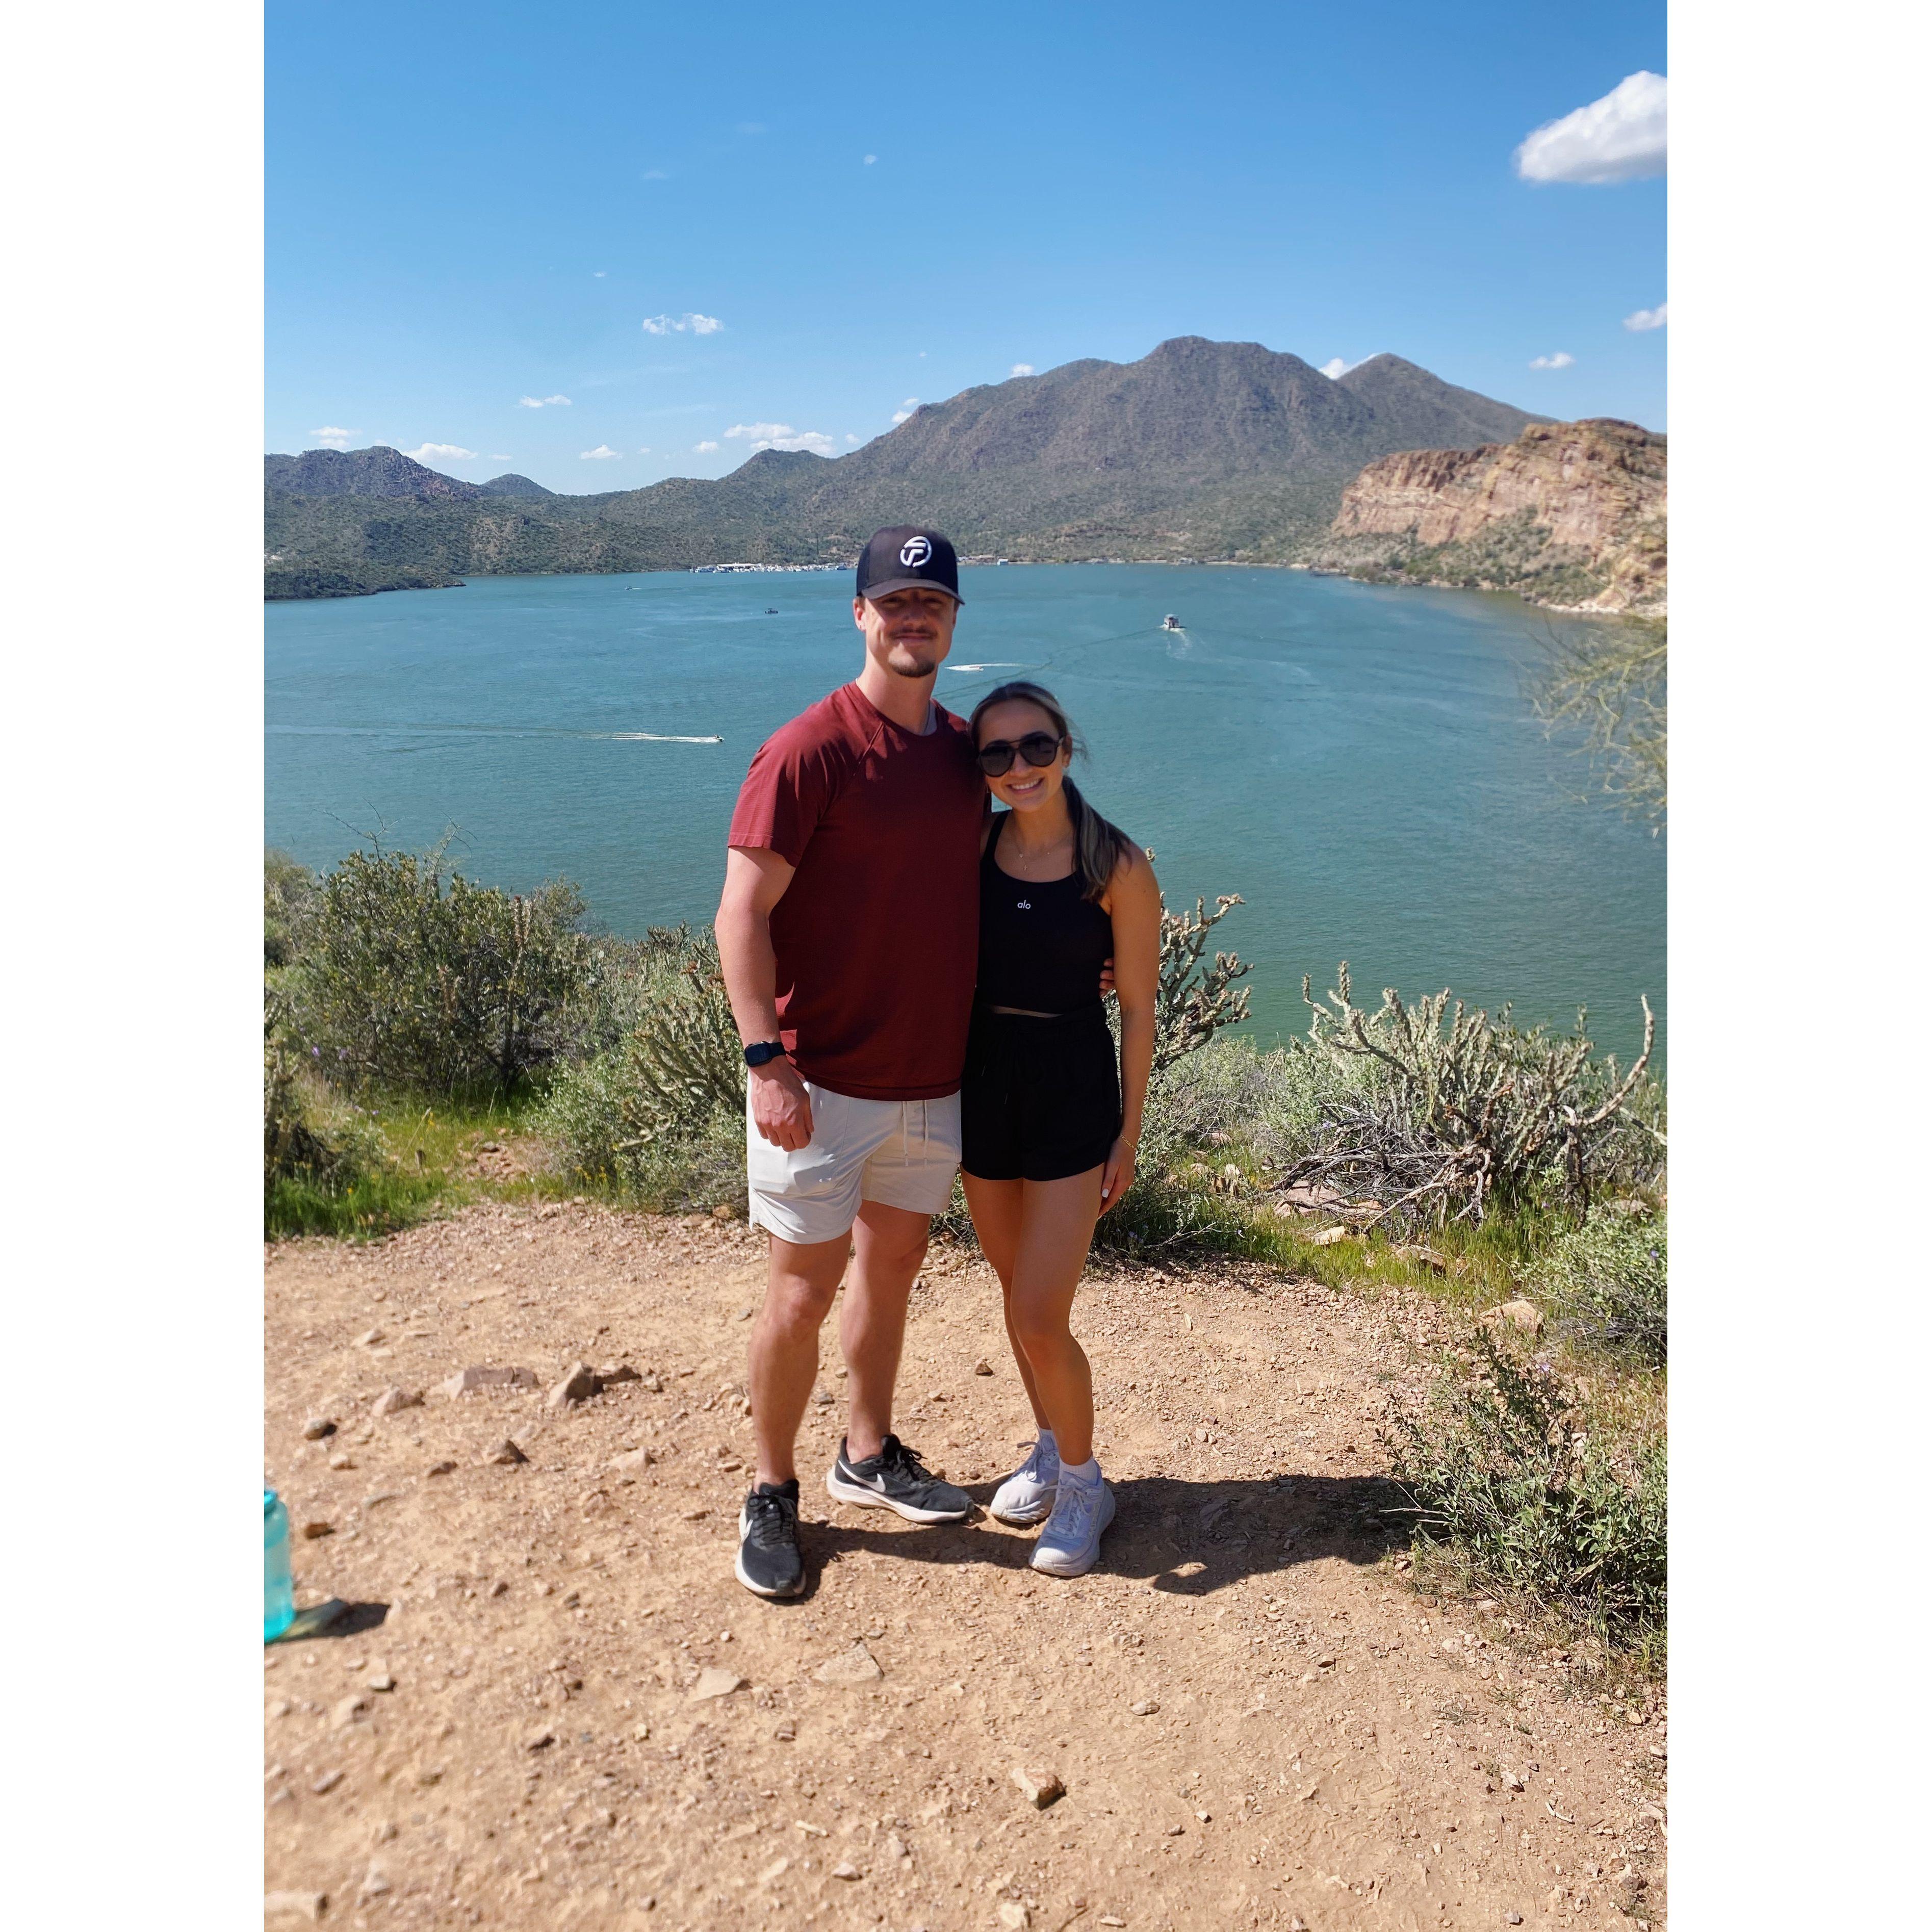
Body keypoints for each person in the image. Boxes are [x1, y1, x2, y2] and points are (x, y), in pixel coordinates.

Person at [715, 527, 985, 1599]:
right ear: (860, 614)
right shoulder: (808, 749)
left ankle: (865, 1452)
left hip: (930, 1079)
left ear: (953, 620)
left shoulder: (964, 752)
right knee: (798, 1294)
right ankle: (771, 1487)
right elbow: (740, 915)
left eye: (933, 603)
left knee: (893, 1268)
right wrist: (764, 1060)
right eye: (895, 602)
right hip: (817, 1084)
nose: (914, 618)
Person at [961, 682, 1161, 1577]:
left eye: (1035, 746)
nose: (1019, 766)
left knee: (1041, 1313)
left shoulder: (1117, 865)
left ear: (1065, 749)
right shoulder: (974, 845)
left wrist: (1128, 1134)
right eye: (997, 753)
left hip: (1072, 1088)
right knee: (1016, 1296)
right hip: (981, 1084)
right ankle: (1049, 1444)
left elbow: (1140, 1011)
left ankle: (1084, 1483)